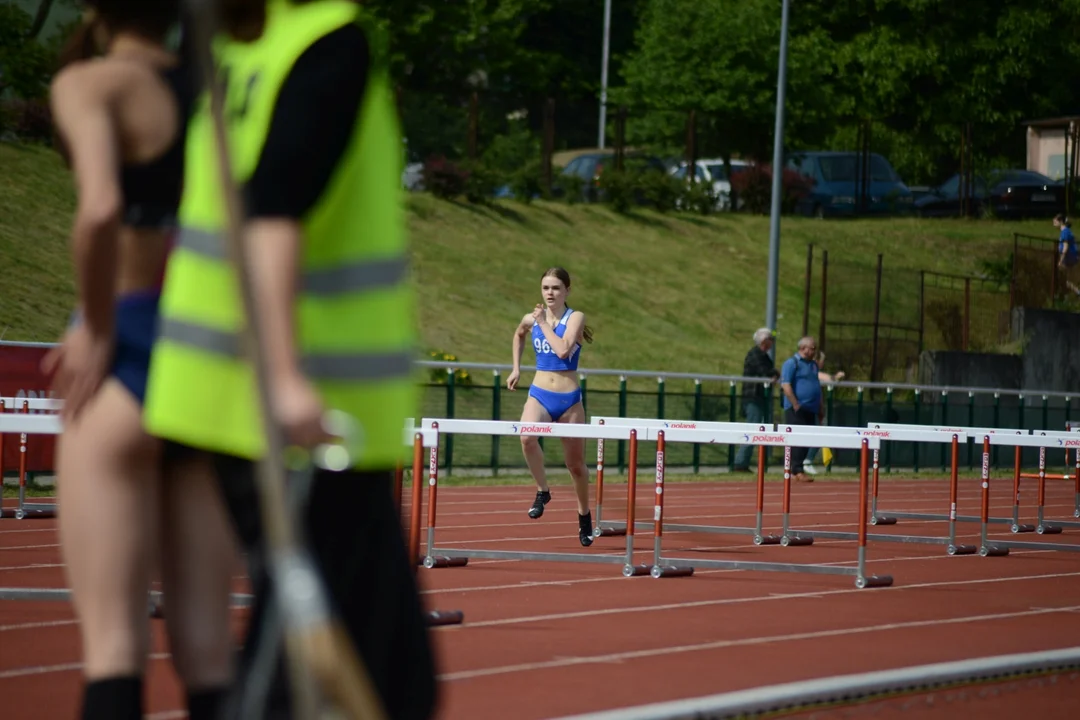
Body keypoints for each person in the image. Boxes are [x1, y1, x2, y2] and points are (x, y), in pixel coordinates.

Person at [141, 1, 438, 718]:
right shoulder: (322, 45)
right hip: (291, 418)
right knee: (302, 674)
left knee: (392, 676)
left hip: (225, 396)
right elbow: (272, 209)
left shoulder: (238, 45)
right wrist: (282, 377)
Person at [43, 3, 238, 719]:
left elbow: (99, 208)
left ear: (96, 8)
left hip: (123, 346)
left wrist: (95, 328)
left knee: (115, 649)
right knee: (208, 650)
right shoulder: (215, 90)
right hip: (204, 358)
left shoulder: (93, 84)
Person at [507, 266, 596, 546]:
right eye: (546, 288)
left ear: (567, 290)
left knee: (576, 465)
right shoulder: (530, 319)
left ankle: (584, 516)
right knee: (526, 437)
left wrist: (543, 323)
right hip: (540, 393)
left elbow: (562, 350)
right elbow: (518, 334)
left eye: (556, 288)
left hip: (569, 401)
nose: (550, 293)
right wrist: (516, 369)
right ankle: (542, 490)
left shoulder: (575, 318)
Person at [733, 328, 778, 472]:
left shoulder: (763, 356)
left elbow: (771, 371)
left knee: (758, 429)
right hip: (753, 397)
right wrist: (773, 374)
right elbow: (766, 371)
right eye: (771, 340)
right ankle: (740, 463)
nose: (772, 343)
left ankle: (745, 462)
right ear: (765, 341)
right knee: (753, 429)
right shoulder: (755, 355)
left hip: (759, 397)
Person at [779, 336, 824, 483]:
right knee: (798, 439)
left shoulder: (813, 365)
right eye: (813, 348)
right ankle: (796, 469)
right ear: (804, 348)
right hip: (797, 408)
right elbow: (786, 385)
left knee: (808, 439)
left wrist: (820, 407)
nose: (814, 351)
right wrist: (795, 403)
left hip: (811, 408)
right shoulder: (792, 363)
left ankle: (798, 468)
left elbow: (816, 386)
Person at [803, 351, 844, 476]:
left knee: (815, 432)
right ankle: (807, 461)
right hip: (806, 407)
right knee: (818, 433)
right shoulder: (810, 370)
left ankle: (804, 461)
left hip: (811, 406)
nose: (822, 363)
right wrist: (837, 377)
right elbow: (827, 378)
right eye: (822, 361)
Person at [1054, 214, 1080, 298]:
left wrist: (1061, 261)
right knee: (1067, 281)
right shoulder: (1066, 231)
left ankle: (1063, 295)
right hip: (1071, 259)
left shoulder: (1065, 232)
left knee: (1065, 279)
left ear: (1060, 221)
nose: (1054, 223)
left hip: (1070, 259)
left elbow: (1065, 247)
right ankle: (1069, 295)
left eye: (1055, 221)